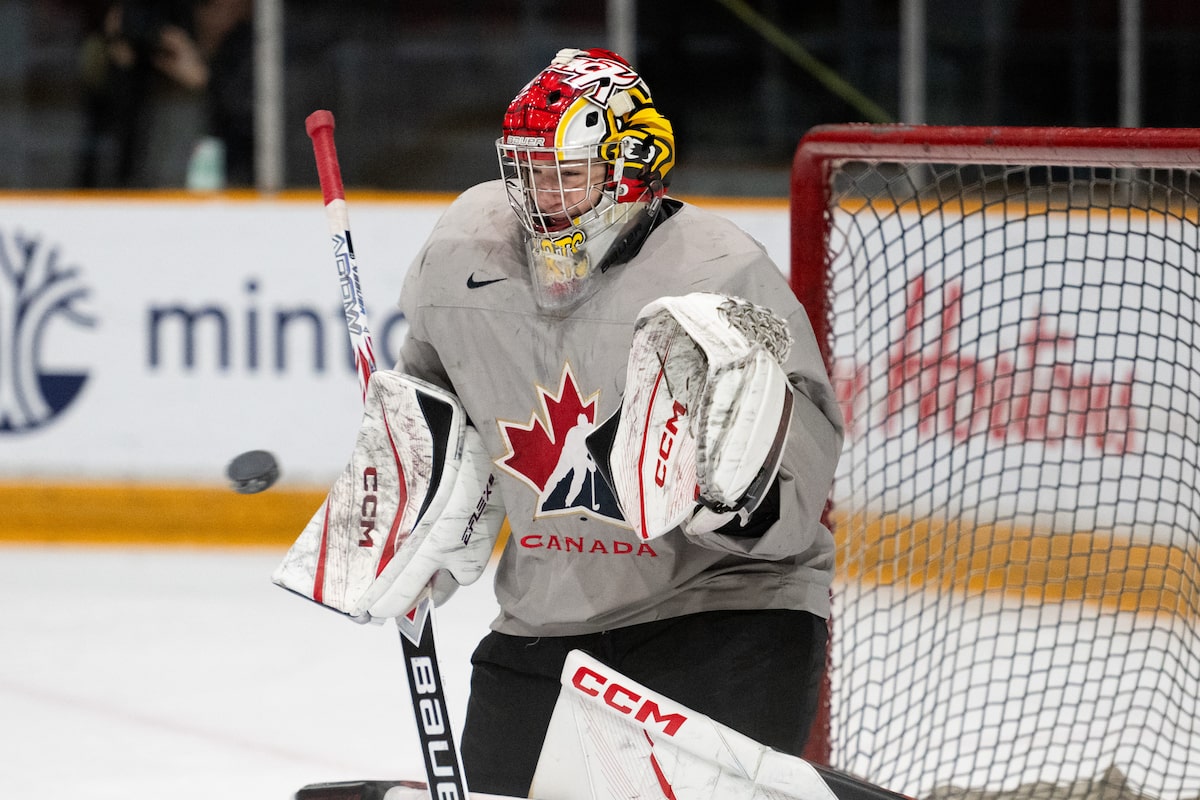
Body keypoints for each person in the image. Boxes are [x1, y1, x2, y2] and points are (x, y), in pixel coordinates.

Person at [393, 47, 845, 797]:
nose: (544, 199)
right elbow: (433, 399)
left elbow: (800, 485)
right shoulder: (460, 254)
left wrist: (735, 501)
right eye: (530, 172)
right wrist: (410, 483)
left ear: (633, 165)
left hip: (722, 615)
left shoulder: (718, 273)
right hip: (546, 618)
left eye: (567, 174)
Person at [76, 0, 253, 188]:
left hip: (221, 199)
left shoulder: (252, 57)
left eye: (211, 4)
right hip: (149, 198)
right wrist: (122, 55)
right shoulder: (146, 75)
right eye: (201, 5)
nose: (208, 15)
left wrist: (205, 81)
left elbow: (253, 125)